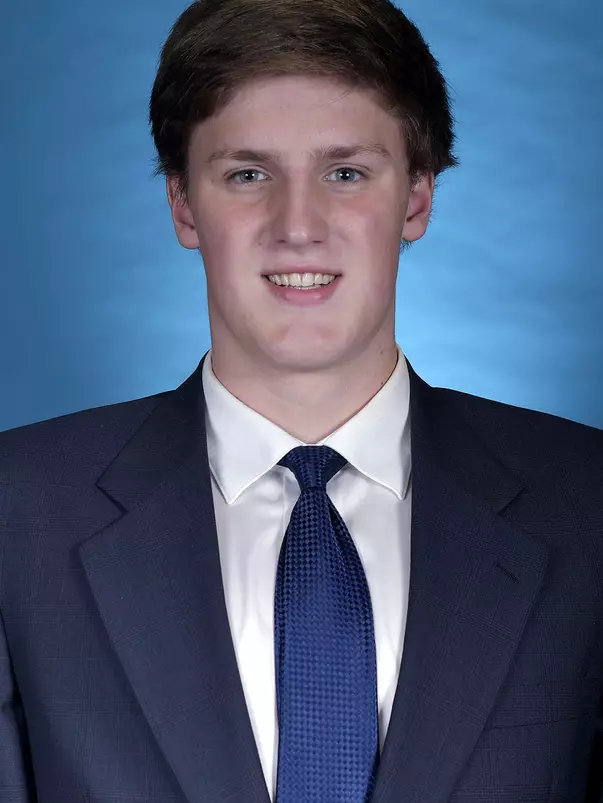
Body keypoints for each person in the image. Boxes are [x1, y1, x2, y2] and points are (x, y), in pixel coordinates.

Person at [1, 0, 602, 800]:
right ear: (182, 202)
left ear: (416, 198)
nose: (298, 226)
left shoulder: (587, 502)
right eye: (247, 174)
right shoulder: (17, 509)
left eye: (345, 173)